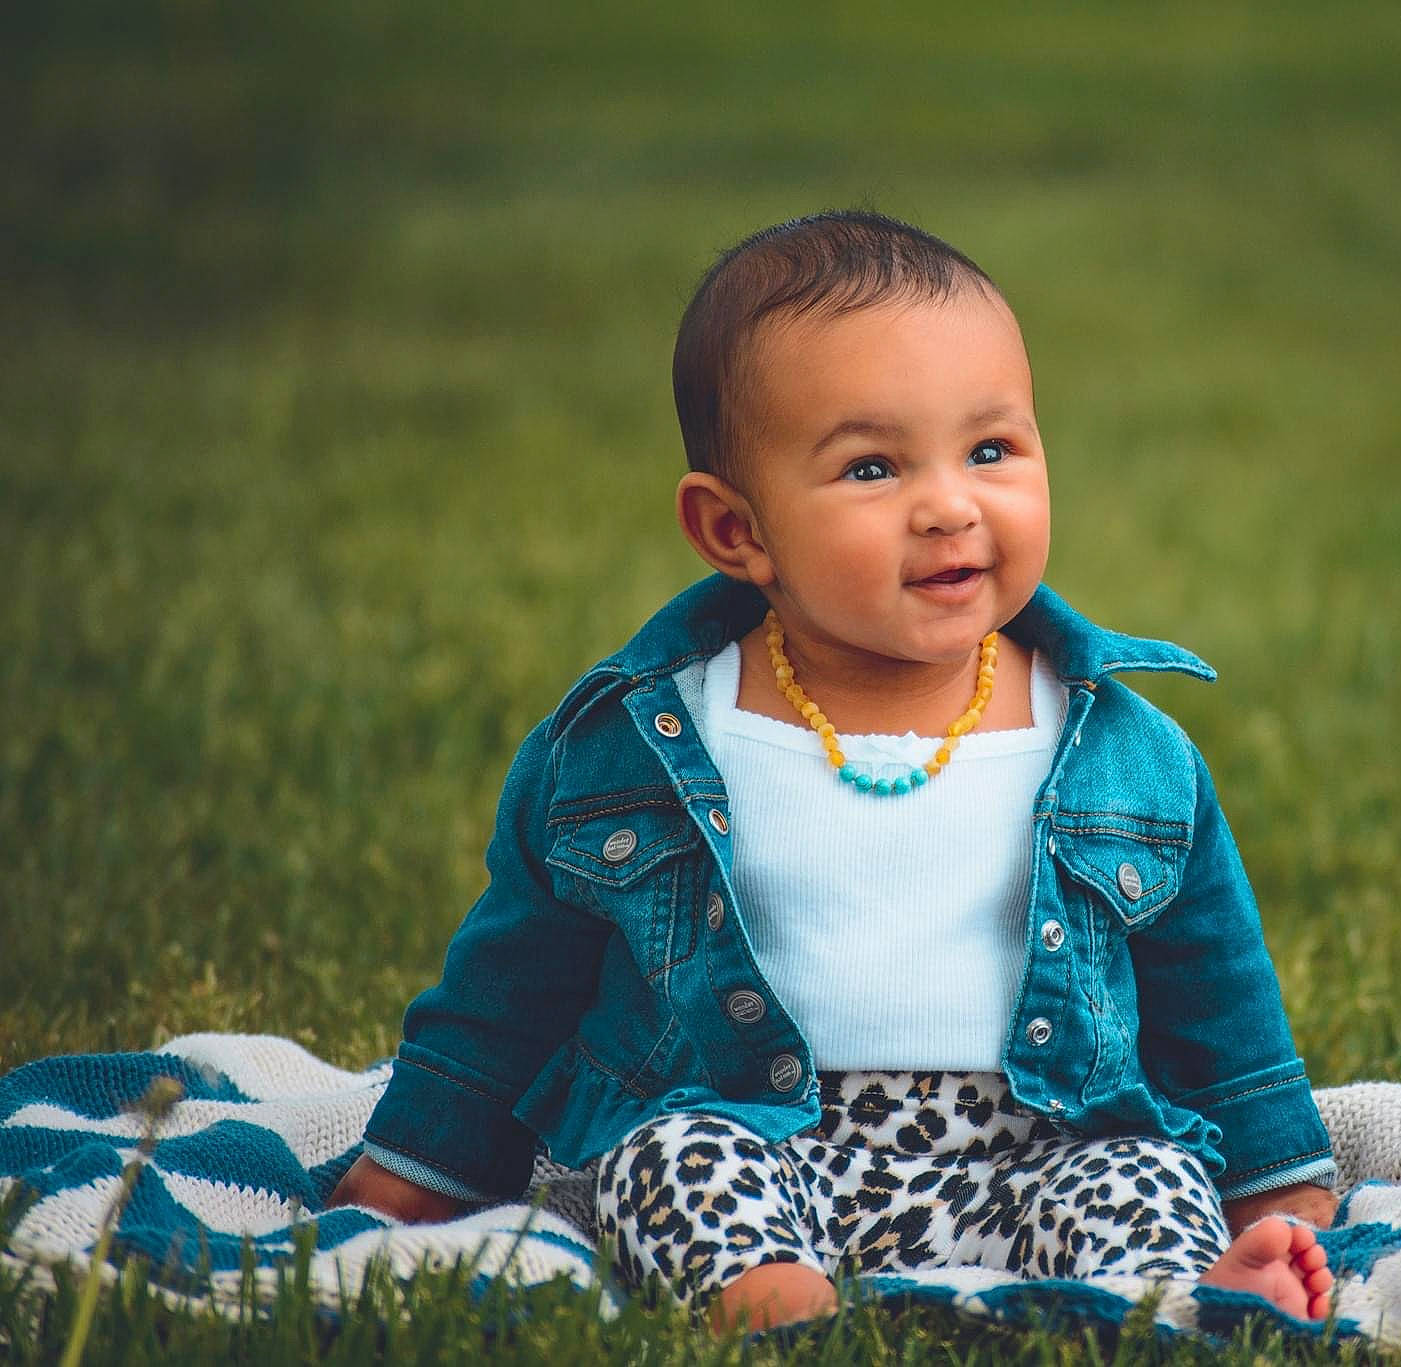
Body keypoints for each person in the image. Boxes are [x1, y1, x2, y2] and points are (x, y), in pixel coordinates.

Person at [327, 210, 1339, 1329]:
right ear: (734, 531)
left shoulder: (1118, 749)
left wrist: (1276, 1184)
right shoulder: (639, 748)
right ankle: (771, 1297)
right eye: (871, 466)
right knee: (660, 1158)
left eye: (991, 449)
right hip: (760, 1139)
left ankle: (1178, 1290)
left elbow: (1217, 998)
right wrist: (417, 1171)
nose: (950, 503)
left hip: (1034, 1152)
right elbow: (508, 987)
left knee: (1141, 1175)